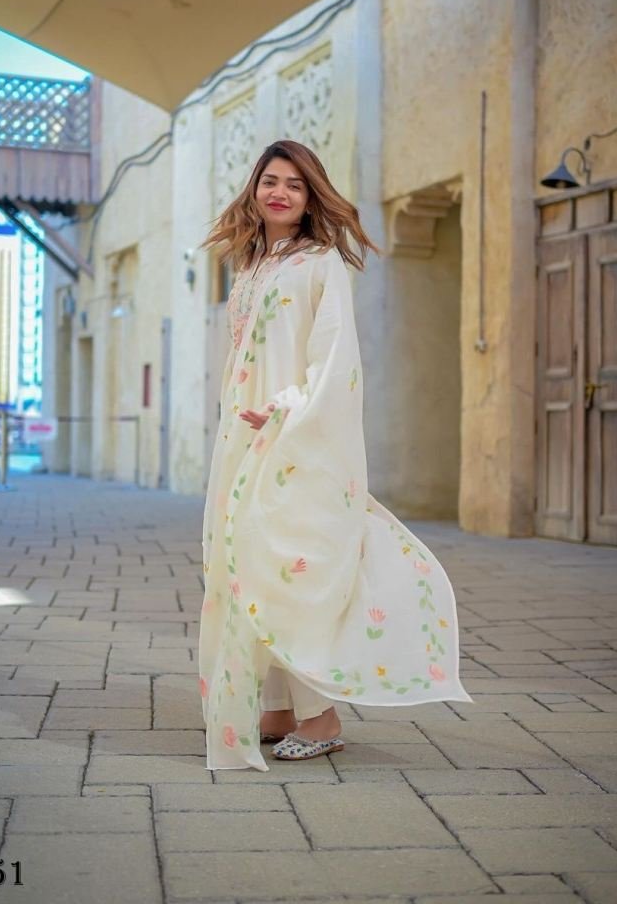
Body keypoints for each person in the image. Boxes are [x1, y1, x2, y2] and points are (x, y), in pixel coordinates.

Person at [198, 139, 472, 771]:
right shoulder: (251, 265)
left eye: (295, 185)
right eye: (271, 180)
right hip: (243, 440)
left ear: (310, 196)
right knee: (243, 564)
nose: (280, 193)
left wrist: (285, 409)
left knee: (289, 567)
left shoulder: (319, 263)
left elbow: (333, 358)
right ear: (254, 189)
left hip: (295, 437)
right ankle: (275, 707)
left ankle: (320, 716)